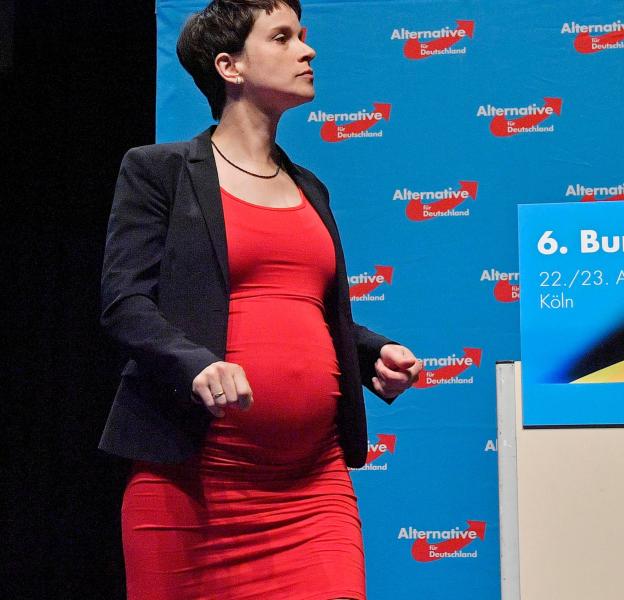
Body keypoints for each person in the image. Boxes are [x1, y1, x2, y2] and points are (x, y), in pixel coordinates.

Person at [98, 1, 421, 597]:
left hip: (311, 489)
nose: (307, 50)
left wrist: (372, 353)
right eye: (283, 37)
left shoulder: (309, 187)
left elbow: (310, 311)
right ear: (230, 66)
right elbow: (125, 302)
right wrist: (196, 365)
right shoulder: (158, 171)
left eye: (303, 35)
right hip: (190, 487)